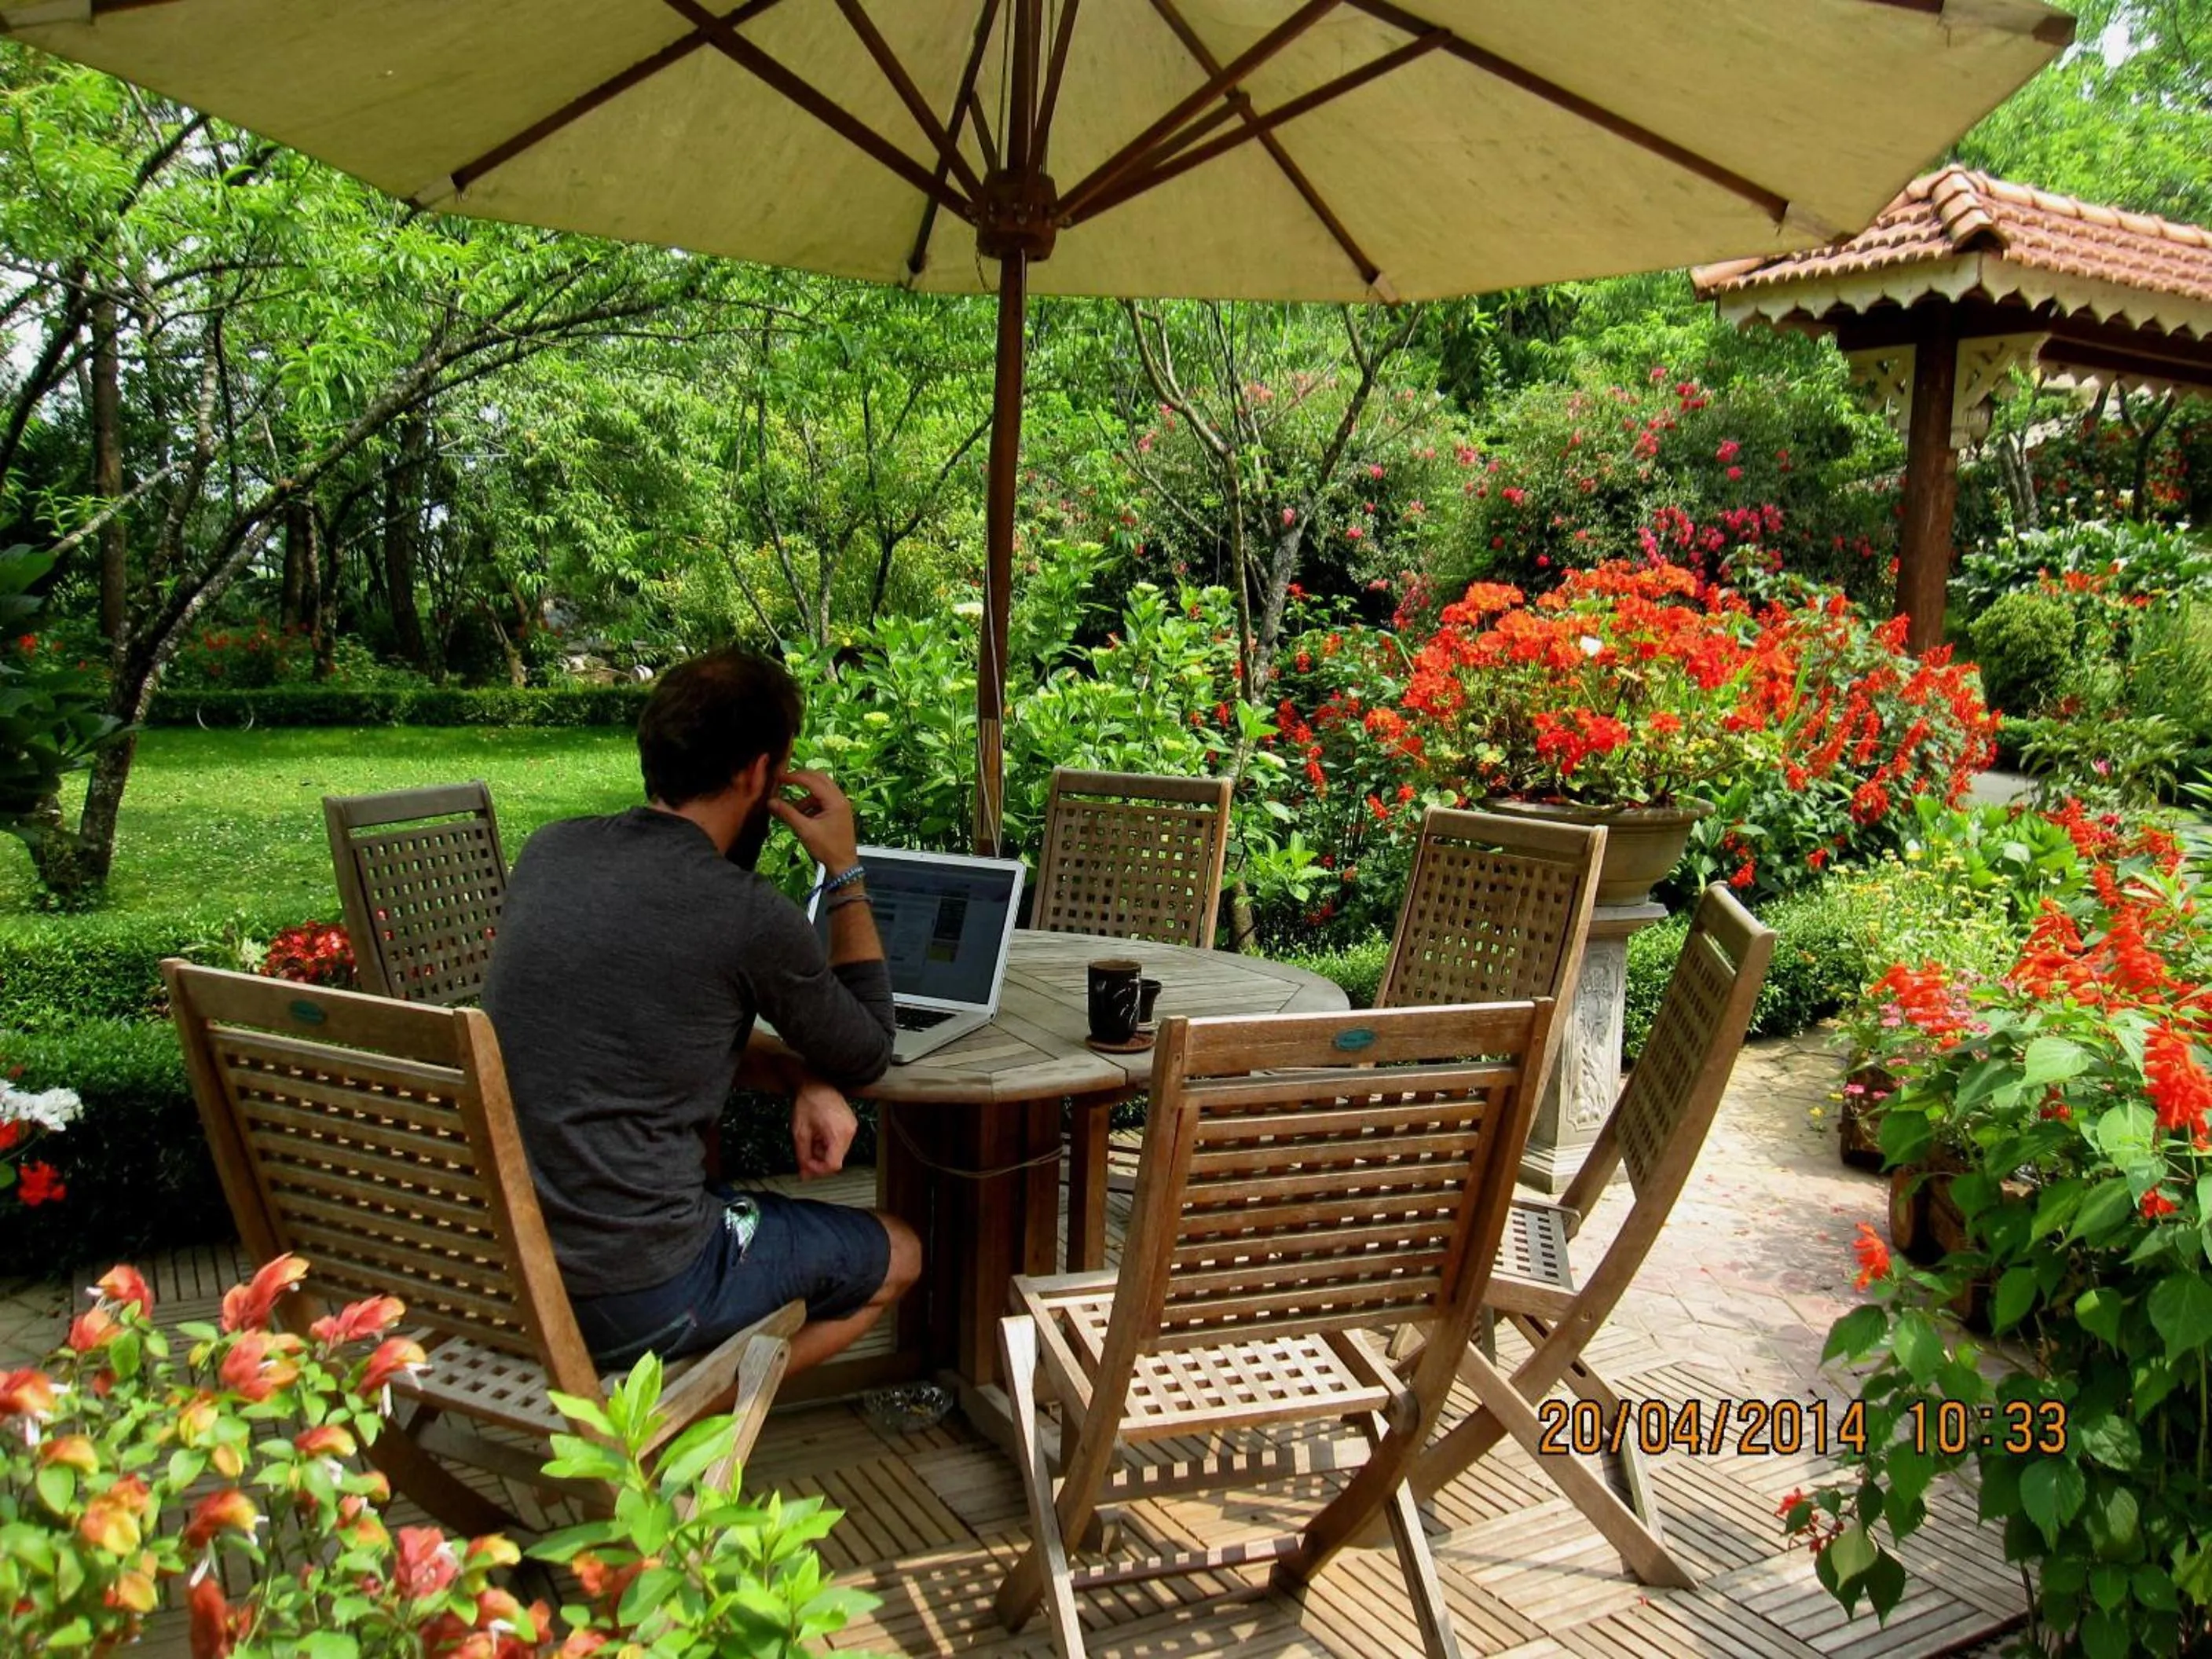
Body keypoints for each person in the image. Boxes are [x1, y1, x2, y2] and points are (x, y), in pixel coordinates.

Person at [482, 646, 920, 1377]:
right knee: (900, 1252)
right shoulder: (744, 913)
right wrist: (844, 872)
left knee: (720, 1188)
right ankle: (667, 1428)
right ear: (757, 774)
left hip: (501, 1276)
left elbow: (646, 1035)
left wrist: (798, 1080)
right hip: (636, 1291)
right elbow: (868, 1046)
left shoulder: (551, 853)